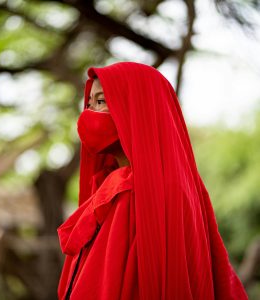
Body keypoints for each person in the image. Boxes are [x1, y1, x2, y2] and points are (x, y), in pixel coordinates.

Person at [56, 61, 248, 300]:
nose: (89, 113)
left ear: (136, 108)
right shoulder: (178, 188)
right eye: (89, 103)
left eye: (102, 101)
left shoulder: (131, 192)